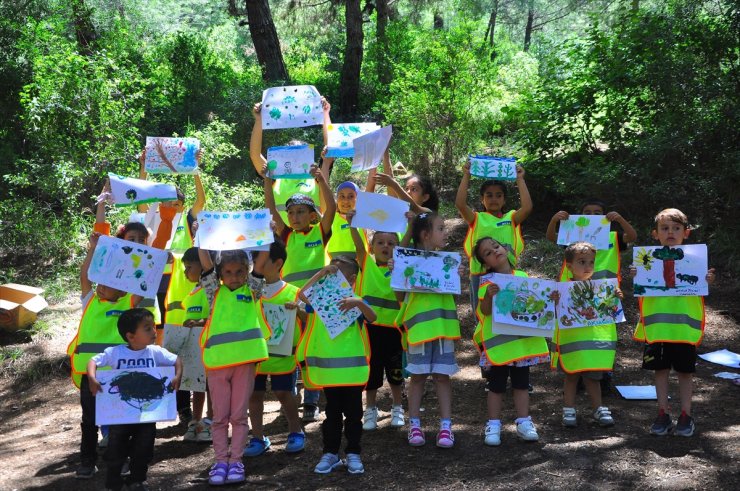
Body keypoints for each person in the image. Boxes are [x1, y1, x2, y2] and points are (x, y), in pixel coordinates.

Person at [67, 233, 150, 479]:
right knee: (89, 420)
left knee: (119, 420)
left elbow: (143, 277)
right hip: (89, 374)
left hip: (118, 373)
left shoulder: (129, 303)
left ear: (123, 287)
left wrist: (139, 253)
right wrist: (93, 249)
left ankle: (120, 460)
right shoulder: (91, 301)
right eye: (100, 280)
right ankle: (87, 461)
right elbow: (85, 276)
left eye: (108, 281)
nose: (101, 284)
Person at [630, 208, 715, 437]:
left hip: (684, 330)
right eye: (665, 228)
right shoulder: (646, 260)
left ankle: (686, 415)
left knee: (685, 373)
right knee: (660, 371)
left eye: (676, 228)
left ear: (685, 233)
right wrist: (636, 274)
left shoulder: (696, 259)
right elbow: (643, 285)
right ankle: (663, 413)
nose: (670, 232)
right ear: (655, 233)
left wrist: (707, 279)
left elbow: (699, 285)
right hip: (658, 329)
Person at [264, 164, 336, 422]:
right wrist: (268, 181)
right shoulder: (285, 236)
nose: (294, 217)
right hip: (290, 302)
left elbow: (333, 208)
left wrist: (321, 179)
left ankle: (312, 400)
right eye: (291, 212)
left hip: (317, 300)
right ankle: (291, 399)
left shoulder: (320, 231)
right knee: (293, 349)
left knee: (312, 350)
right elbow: (271, 209)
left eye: (301, 212)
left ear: (312, 215)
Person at [86, 308, 182, 491]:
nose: (154, 331)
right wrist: (92, 378)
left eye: (153, 326)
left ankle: (137, 480)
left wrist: (177, 376)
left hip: (146, 416)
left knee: (144, 448)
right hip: (119, 416)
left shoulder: (155, 352)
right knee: (115, 449)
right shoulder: (115, 353)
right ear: (130, 336)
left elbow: (177, 360)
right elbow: (93, 361)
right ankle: (113, 483)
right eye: (147, 328)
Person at [297, 257, 375, 475]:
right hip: (330, 373)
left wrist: (358, 302)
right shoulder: (321, 299)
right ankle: (330, 453)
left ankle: (353, 453)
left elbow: (373, 317)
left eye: (336, 275)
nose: (331, 278)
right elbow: (302, 295)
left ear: (350, 279)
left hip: (352, 373)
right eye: (330, 274)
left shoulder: (357, 302)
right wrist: (321, 273)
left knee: (354, 415)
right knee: (332, 415)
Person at [199, 249, 269, 485]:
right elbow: (206, 263)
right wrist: (201, 240)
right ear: (220, 274)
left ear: (247, 272)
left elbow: (260, 264)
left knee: (239, 416)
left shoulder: (253, 291)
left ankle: (236, 461)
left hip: (244, 363)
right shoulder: (213, 292)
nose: (234, 277)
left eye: (240, 271)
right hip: (218, 364)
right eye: (228, 272)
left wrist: (265, 238)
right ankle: (220, 462)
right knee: (220, 417)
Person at [392, 212, 461, 448]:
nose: (445, 233)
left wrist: (457, 276)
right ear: (425, 234)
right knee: (418, 377)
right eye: (440, 229)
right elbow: (399, 294)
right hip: (419, 328)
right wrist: (398, 271)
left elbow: (451, 290)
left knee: (443, 376)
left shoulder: (449, 262)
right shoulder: (406, 261)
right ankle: (414, 425)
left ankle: (445, 426)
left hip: (443, 327)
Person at [472, 237, 549, 445]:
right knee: (496, 386)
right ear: (486, 263)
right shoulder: (486, 283)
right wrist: (488, 296)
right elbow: (484, 311)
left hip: (520, 347)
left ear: (504, 248)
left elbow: (536, 303)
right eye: (488, 253)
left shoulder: (523, 276)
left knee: (522, 385)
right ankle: (494, 424)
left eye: (495, 247)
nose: (494, 251)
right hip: (500, 347)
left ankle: (524, 422)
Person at [244, 240, 307, 456]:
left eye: (261, 260)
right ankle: (258, 438)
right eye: (254, 259)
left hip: (284, 356)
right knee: (254, 394)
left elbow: (310, 320)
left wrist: (298, 310)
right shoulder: (249, 291)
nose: (255, 264)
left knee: (283, 392)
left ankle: (296, 431)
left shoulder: (295, 292)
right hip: (256, 355)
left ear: (278, 263)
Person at [345, 211, 404, 431]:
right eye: (380, 242)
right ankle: (370, 409)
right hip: (369, 329)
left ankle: (398, 407)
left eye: (391, 243)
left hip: (394, 329)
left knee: (395, 371)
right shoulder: (366, 264)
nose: (385, 246)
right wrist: (353, 224)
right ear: (372, 246)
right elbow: (358, 245)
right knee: (372, 370)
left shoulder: (401, 267)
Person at [552, 242, 621, 429]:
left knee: (593, 376)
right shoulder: (562, 289)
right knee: (571, 375)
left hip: (592, 342)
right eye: (582, 262)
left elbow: (610, 310)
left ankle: (598, 408)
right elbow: (552, 314)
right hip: (571, 341)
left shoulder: (601, 288)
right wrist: (554, 301)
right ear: (569, 266)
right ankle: (568, 409)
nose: (587, 267)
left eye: (591, 262)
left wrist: (615, 297)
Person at [457, 159, 532, 311]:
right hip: (480, 273)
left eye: (498, 195)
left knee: (511, 311)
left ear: (504, 200)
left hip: (507, 273)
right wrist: (466, 176)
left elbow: (527, 207)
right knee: (482, 314)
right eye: (489, 195)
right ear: (482, 199)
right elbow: (460, 204)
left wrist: (520, 179)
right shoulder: (477, 218)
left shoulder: (510, 217)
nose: (493, 199)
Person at [250, 99, 331, 223]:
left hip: (311, 239)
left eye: (299, 153)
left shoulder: (316, 178)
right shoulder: (275, 176)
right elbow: (255, 155)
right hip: (282, 238)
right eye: (291, 153)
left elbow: (330, 150)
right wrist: (259, 120)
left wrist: (325, 114)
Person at [177, 247, 217, 443]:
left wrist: (199, 322)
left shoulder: (212, 289)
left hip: (208, 346)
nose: (186, 272)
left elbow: (215, 316)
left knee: (209, 385)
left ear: (203, 265)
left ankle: (210, 421)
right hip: (192, 349)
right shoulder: (192, 292)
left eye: (189, 267)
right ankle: (195, 420)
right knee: (195, 384)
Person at [546, 198, 637, 284]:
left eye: (597, 213)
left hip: (604, 288)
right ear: (581, 215)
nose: (592, 215)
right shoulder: (573, 234)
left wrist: (620, 219)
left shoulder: (613, 236)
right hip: (572, 286)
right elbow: (551, 238)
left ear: (604, 216)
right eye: (587, 212)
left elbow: (632, 237)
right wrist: (554, 220)